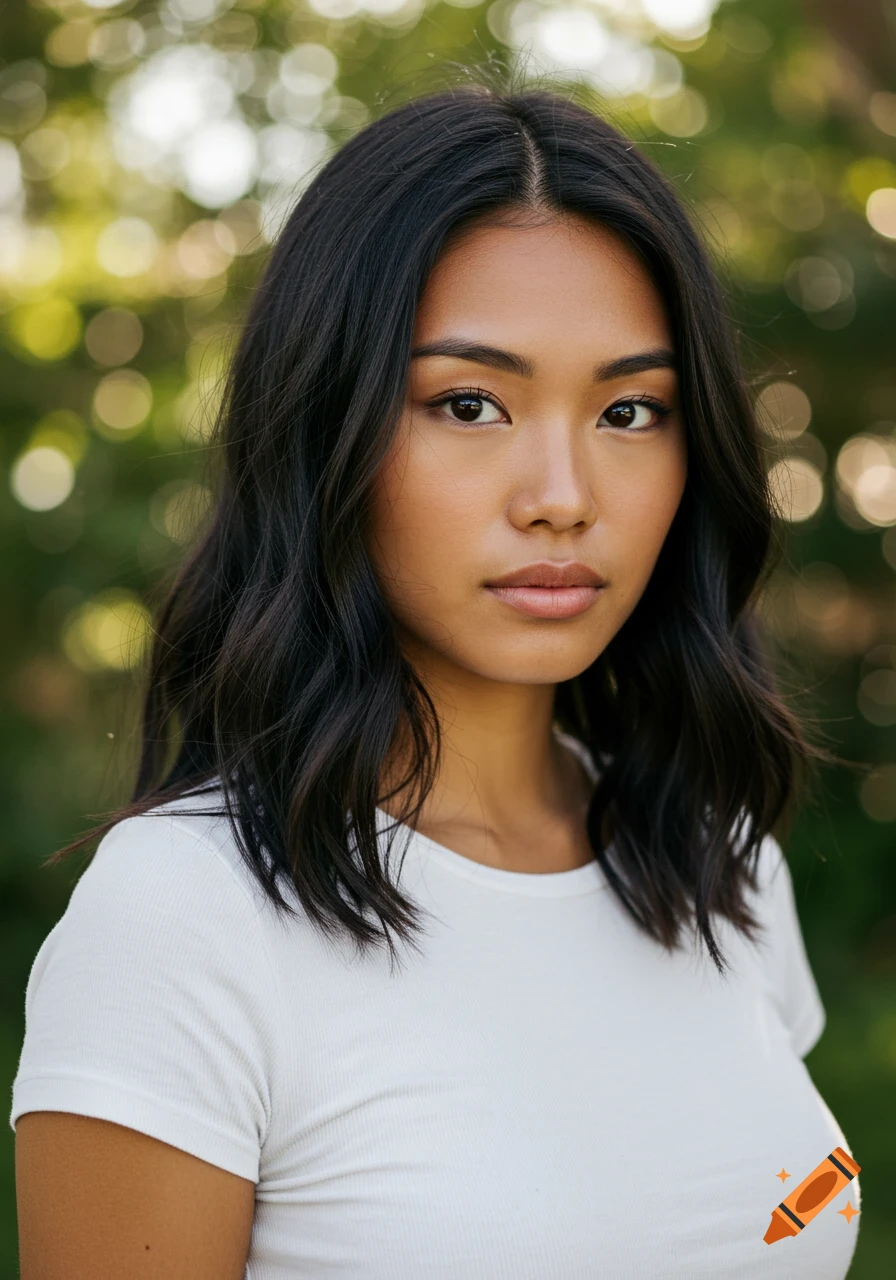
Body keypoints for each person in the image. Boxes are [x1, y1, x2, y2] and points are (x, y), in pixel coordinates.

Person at [12, 82, 860, 1278]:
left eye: (628, 409)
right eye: (469, 403)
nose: (562, 493)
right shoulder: (186, 917)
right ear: (326, 424)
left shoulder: (719, 864)